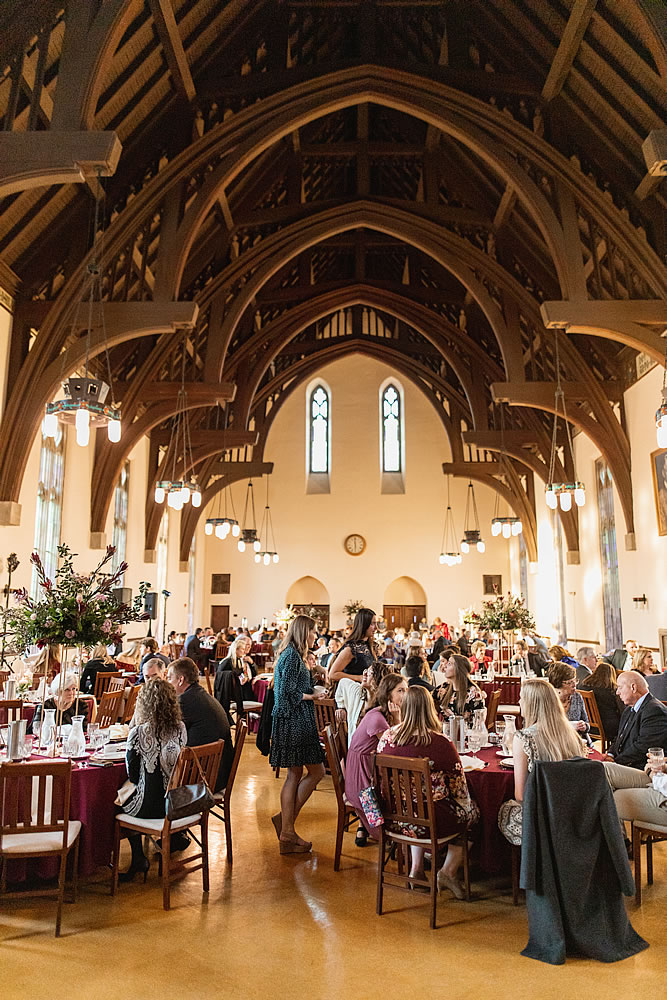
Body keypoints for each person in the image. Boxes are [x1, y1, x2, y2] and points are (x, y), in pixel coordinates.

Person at [377, 686, 479, 899]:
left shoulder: (387, 737)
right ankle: (448, 871)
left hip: (395, 819)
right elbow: (459, 790)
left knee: (418, 808)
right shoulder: (440, 743)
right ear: (430, 708)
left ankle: (416, 868)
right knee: (474, 813)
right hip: (431, 822)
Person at [498, 678, 587, 845]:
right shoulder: (572, 735)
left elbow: (521, 795)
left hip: (539, 818)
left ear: (532, 703)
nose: (519, 702)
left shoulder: (524, 738)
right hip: (574, 813)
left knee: (502, 810)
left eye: (522, 698)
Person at [118, 678, 187, 881]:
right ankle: (172, 838)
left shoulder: (138, 732)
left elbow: (132, 775)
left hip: (149, 807)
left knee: (117, 803)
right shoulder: (180, 728)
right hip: (176, 803)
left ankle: (138, 857)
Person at [269, 615, 326, 854]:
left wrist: (313, 679)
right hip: (293, 721)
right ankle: (287, 828)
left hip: (297, 719)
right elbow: (284, 694)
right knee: (305, 772)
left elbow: (294, 686)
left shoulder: (295, 655)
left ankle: (286, 824)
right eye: (313, 632)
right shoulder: (291, 656)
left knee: (303, 772)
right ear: (304, 632)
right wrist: (312, 696)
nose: (316, 636)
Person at [345, 673, 408, 846]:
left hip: (368, 769)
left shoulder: (380, 713)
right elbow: (395, 748)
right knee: (404, 792)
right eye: (400, 690)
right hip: (362, 780)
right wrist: (398, 719)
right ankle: (394, 836)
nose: (405, 694)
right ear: (388, 695)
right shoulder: (377, 718)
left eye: (406, 690)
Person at [168, 657, 233, 793]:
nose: (168, 683)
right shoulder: (200, 694)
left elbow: (166, 733)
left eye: (169, 678)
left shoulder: (185, 701)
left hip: (204, 779)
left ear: (180, 680)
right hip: (219, 772)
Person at [601, 671, 667, 769]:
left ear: (633, 688)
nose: (617, 692)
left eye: (620, 687)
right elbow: (620, 737)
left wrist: (616, 761)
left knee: (602, 773)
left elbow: (644, 747)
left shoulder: (655, 711)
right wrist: (610, 754)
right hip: (626, 763)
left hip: (643, 768)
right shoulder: (629, 709)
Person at [328, 608, 378, 736]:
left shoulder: (369, 645)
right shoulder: (351, 648)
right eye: (372, 624)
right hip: (353, 696)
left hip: (367, 694)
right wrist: (359, 678)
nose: (376, 627)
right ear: (364, 624)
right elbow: (332, 674)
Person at [605, 751, 667, 828]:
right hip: (661, 781)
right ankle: (618, 839)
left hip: (663, 793)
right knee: (604, 769)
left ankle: (617, 839)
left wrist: (652, 774)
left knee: (606, 797)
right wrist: (663, 767)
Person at [578, 659, 624, 741]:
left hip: (588, 726)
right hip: (608, 728)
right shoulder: (611, 691)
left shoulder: (583, 687)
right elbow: (622, 711)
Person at [547, 661, 591, 743]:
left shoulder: (577, 697)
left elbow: (587, 723)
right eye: (569, 682)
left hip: (577, 742)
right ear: (558, 683)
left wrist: (584, 726)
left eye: (575, 681)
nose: (574, 685)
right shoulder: (548, 700)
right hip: (555, 743)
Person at [435, 653, 485, 724]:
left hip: (466, 733)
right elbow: (427, 703)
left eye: (449, 663)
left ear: (458, 669)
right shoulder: (443, 688)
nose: (444, 666)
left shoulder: (473, 693)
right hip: (446, 732)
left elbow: (478, 723)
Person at [217, 635, 257, 700]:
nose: (244, 651)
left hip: (239, 688)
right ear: (236, 649)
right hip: (230, 693)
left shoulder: (238, 660)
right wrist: (240, 679)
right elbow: (221, 680)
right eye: (243, 649)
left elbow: (240, 674)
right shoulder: (226, 662)